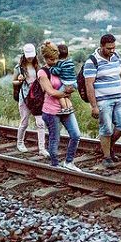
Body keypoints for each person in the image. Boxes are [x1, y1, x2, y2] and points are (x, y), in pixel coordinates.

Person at [84, 34, 121, 168]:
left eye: (114, 47)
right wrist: (94, 106)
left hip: (118, 98)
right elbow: (89, 84)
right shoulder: (92, 61)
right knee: (107, 128)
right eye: (109, 48)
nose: (112, 50)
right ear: (101, 46)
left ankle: (108, 147)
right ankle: (107, 157)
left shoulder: (116, 56)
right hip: (103, 100)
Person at [38, 41, 81, 171]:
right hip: (51, 110)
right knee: (54, 138)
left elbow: (69, 82)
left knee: (76, 135)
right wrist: (66, 92)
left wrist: (69, 89)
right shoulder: (43, 72)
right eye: (51, 59)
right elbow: (50, 92)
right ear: (45, 59)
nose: (54, 61)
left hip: (66, 109)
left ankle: (69, 162)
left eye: (56, 58)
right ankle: (55, 164)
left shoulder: (60, 66)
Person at [13, 43, 49, 156]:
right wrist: (20, 80)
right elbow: (13, 81)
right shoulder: (19, 68)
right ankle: (20, 143)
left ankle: (42, 148)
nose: (30, 58)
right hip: (25, 97)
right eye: (28, 55)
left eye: (32, 55)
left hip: (37, 97)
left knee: (40, 123)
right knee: (24, 122)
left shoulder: (38, 66)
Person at [48, 44, 77, 114]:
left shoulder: (60, 63)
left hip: (66, 83)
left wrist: (50, 68)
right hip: (74, 83)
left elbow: (56, 71)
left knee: (60, 95)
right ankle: (70, 108)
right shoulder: (70, 62)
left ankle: (64, 108)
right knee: (66, 96)